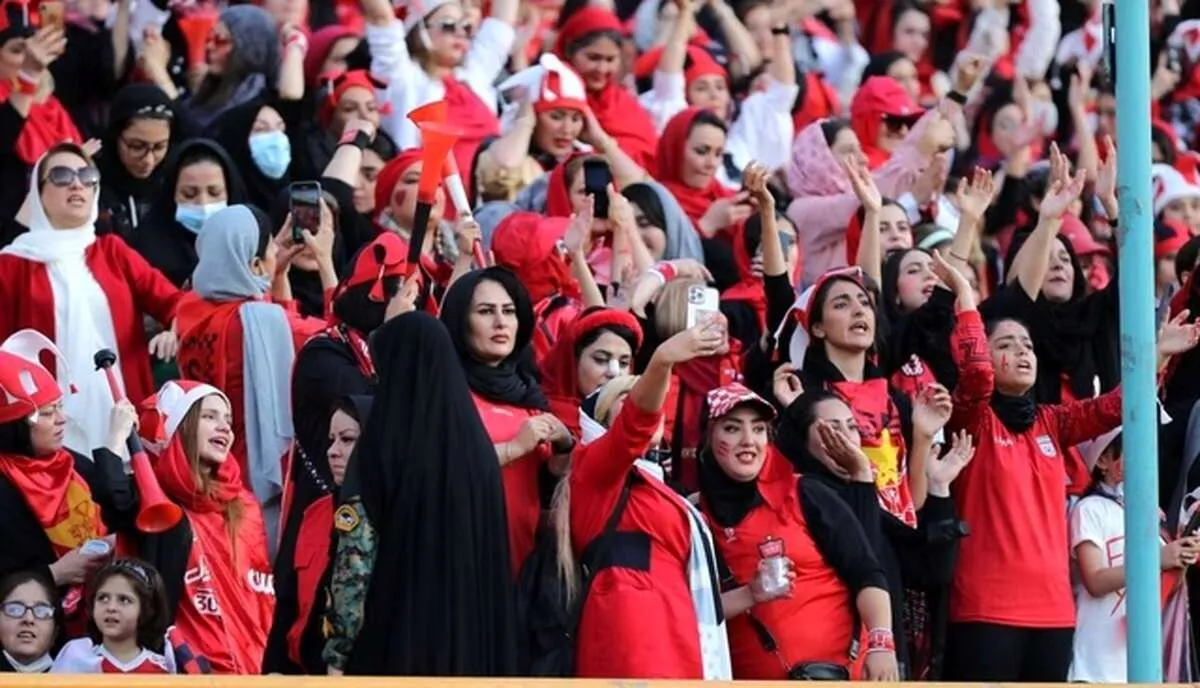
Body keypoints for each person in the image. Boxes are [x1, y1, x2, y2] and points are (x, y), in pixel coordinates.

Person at [324, 309, 518, 676]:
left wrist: (338, 654)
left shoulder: (380, 449)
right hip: (473, 654)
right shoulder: (479, 456)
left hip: (394, 653)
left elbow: (355, 563)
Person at [697, 383, 898, 680]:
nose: (748, 440)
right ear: (707, 437)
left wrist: (882, 645)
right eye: (732, 428)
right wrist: (750, 594)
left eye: (759, 429)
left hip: (842, 676)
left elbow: (866, 571)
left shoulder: (805, 492)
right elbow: (687, 612)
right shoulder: (692, 516)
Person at [0, 143, 182, 455]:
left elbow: (178, 304)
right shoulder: (12, 264)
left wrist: (174, 330)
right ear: (38, 192)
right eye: (61, 175)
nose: (77, 184)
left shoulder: (113, 251)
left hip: (124, 417)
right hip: (46, 427)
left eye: (87, 176)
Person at [132, 380, 275, 675]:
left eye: (228, 420)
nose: (225, 428)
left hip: (254, 665)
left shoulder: (245, 505)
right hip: (190, 668)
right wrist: (118, 436)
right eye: (210, 417)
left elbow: (260, 593)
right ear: (180, 427)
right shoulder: (154, 499)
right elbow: (113, 495)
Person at [439, 267, 573, 574]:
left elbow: (546, 485)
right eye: (486, 311)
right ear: (460, 321)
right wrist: (514, 448)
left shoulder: (529, 395)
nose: (500, 322)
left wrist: (564, 447)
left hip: (523, 569)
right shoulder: (444, 393)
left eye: (509, 311)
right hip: (460, 568)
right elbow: (440, 469)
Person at [266, 396, 372, 675]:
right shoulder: (315, 513)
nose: (332, 451)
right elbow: (287, 600)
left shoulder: (388, 519)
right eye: (331, 440)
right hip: (300, 673)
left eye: (347, 439)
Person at [51, 559, 174, 674]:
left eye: (124, 600)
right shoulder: (76, 660)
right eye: (103, 598)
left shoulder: (163, 669)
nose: (111, 607)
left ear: (147, 610)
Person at [0, 570, 60, 673]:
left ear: (55, 631)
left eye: (41, 611)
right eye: (14, 609)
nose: (29, 619)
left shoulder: (74, 675)